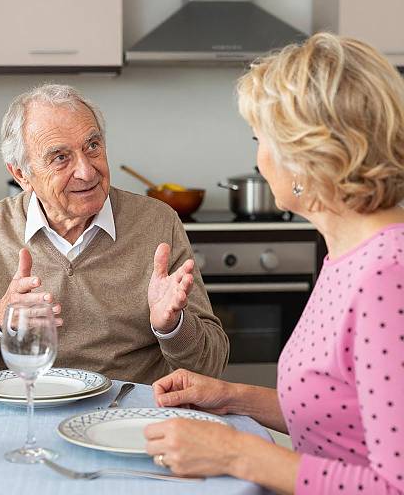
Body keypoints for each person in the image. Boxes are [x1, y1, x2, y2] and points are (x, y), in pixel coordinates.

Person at [144, 33, 404, 494]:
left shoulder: (388, 277)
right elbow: (346, 414)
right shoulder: (347, 257)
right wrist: (229, 397)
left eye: (259, 139)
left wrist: (235, 453)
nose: (258, 159)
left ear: (306, 156)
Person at [0, 84, 229, 383]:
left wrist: (173, 327)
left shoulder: (157, 223)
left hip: (130, 417)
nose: (86, 171)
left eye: (92, 146)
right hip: (28, 411)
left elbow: (211, 364)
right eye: (60, 157)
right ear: (20, 174)